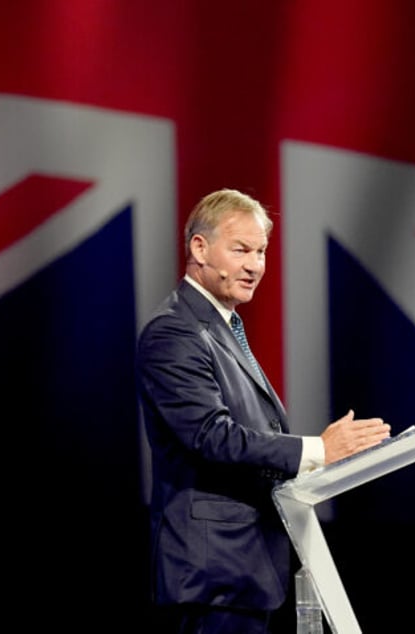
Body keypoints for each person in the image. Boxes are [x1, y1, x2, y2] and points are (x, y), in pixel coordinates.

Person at [136, 188, 391, 633]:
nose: (255, 265)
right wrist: (317, 449)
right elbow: (211, 436)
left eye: (261, 252)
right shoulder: (174, 331)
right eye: (241, 250)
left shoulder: (223, 328)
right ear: (199, 247)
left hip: (246, 570)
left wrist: (317, 464)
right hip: (213, 573)